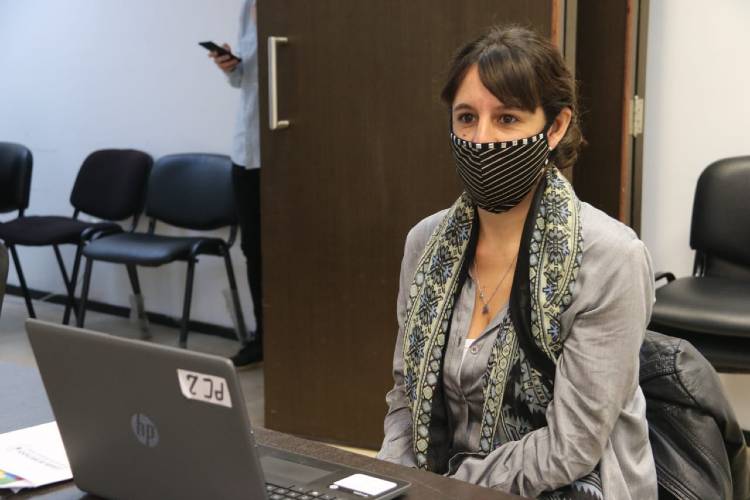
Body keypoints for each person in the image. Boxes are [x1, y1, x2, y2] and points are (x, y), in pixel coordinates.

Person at [376, 25, 657, 499]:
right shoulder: (425, 243)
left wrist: (439, 490)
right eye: (466, 118)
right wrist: (386, 483)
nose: (481, 139)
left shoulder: (611, 258)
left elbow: (571, 446)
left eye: (507, 119)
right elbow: (406, 397)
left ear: (556, 126)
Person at [209, 0, 263, 367]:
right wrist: (231, 66)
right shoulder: (248, 7)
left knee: (287, 249)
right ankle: (264, 337)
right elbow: (247, 81)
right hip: (247, 150)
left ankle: (290, 337)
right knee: (253, 249)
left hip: (282, 149)